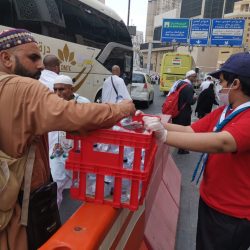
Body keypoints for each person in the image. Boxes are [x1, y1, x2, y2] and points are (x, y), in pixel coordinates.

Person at [0, 28, 135, 250]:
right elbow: (73, 115)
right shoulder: (22, 87)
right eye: (32, 58)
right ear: (6, 58)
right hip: (19, 205)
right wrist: (120, 108)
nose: (40, 66)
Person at [143, 52, 250, 250]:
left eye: (222, 81)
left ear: (235, 84)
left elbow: (223, 143)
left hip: (232, 213)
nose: (219, 86)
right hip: (211, 199)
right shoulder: (226, 111)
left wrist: (165, 137)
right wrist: (155, 123)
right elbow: (190, 129)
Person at [49, 75, 90, 207]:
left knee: (85, 186)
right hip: (57, 151)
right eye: (55, 90)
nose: (58, 93)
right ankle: (54, 220)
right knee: (56, 184)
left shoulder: (84, 103)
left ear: (71, 89)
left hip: (79, 152)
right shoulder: (51, 103)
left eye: (62, 89)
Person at [171, 70, 197, 154]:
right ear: (189, 76)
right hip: (184, 112)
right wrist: (195, 98)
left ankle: (178, 145)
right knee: (184, 131)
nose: (195, 78)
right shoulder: (188, 87)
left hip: (177, 110)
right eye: (193, 76)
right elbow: (190, 101)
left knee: (178, 129)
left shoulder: (179, 83)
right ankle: (182, 149)